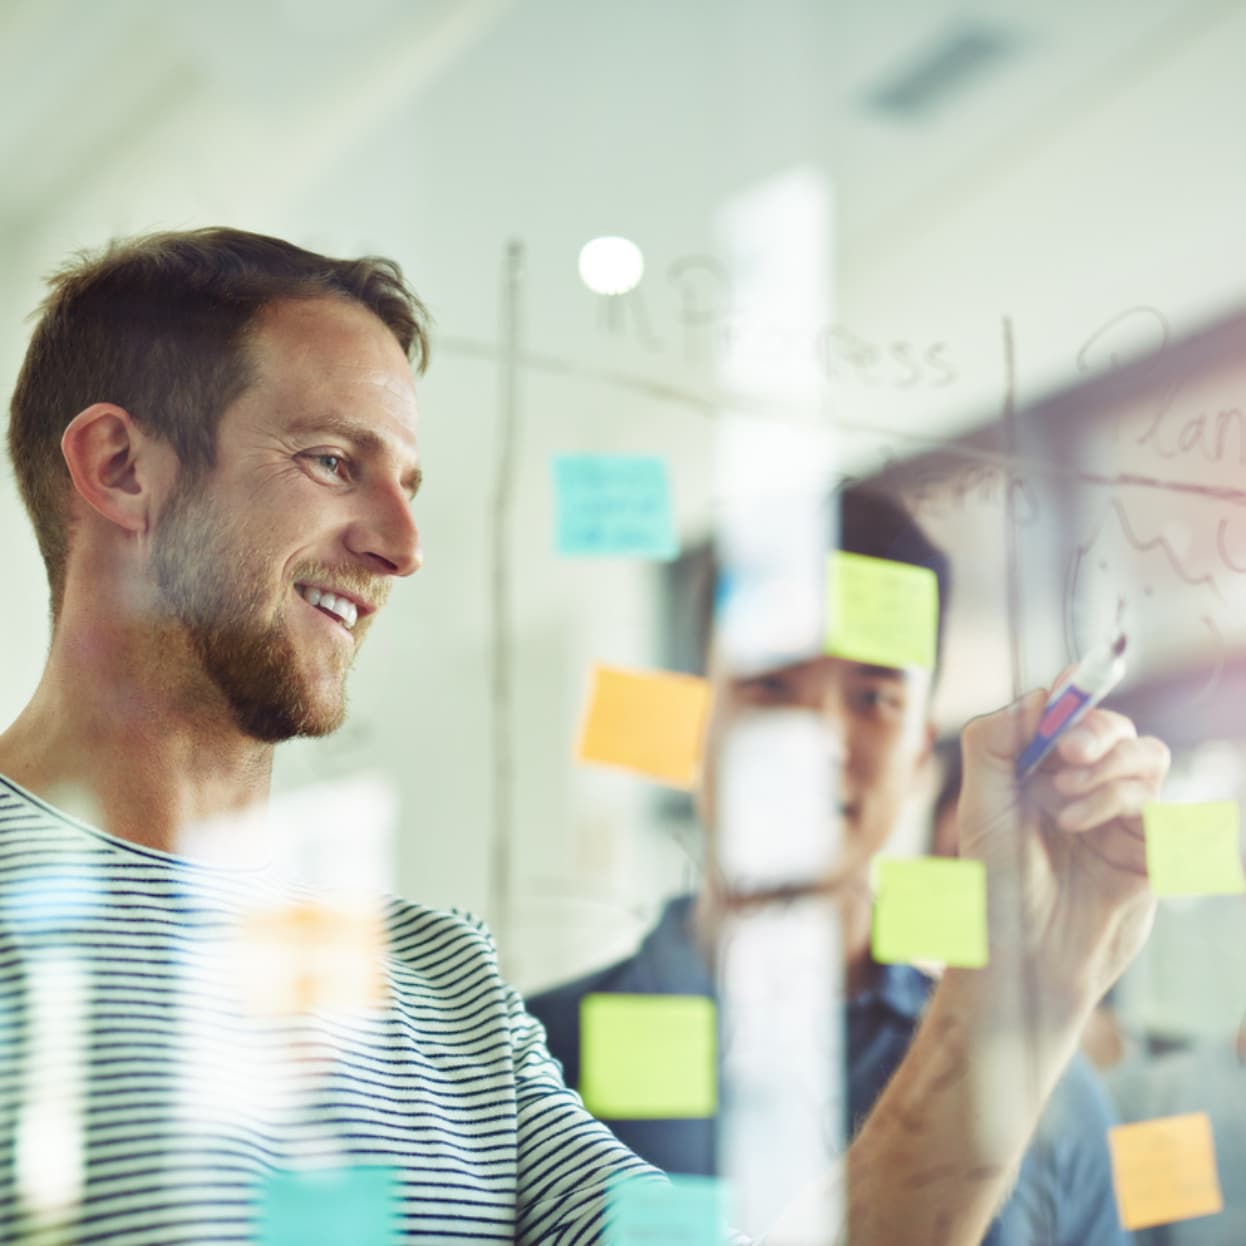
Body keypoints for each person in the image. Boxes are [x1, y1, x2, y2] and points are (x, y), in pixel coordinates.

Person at [0, 227, 1168, 1245]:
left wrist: (1023, 980)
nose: (405, 545)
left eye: (407, 481)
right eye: (331, 462)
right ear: (119, 466)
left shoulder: (443, 982)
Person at [529, 488, 1138, 1245]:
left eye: (874, 697)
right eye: (769, 684)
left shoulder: (1044, 1092)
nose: (816, 739)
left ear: (921, 747)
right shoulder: (536, 1064)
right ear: (696, 724)